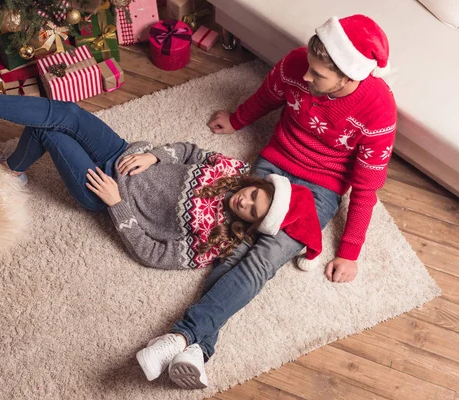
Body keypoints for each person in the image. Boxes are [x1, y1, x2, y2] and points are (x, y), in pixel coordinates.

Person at [135, 14, 397, 390]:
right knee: (235, 241)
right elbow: (269, 95)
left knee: (267, 256)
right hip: (275, 165)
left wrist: (350, 249)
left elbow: (366, 187)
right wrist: (238, 119)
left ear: (348, 77)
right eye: (309, 66)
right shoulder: (295, 65)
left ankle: (182, 337)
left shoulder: (378, 108)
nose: (306, 77)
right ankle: (198, 348)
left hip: (321, 189)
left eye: (318, 74)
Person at [0, 77, 324, 273]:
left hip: (102, 190)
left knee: (48, 130)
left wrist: (117, 203)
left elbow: (152, 253)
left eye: (253, 210)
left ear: (252, 223)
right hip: (124, 155)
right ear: (260, 184)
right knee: (67, 111)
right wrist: (156, 157)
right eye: (255, 194)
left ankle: (10, 165)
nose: (246, 201)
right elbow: (190, 150)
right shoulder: (233, 171)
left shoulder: (211, 241)